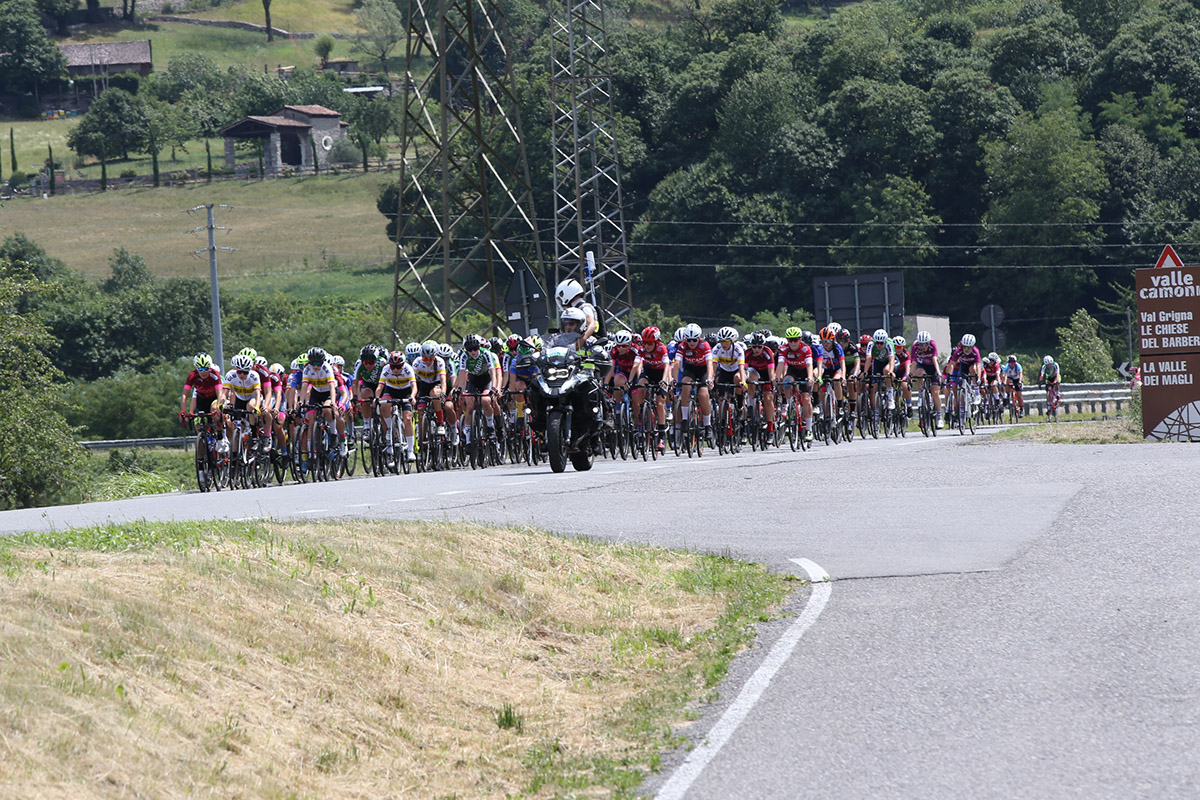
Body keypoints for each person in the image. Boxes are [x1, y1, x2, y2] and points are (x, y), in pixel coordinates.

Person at [673, 323, 714, 441]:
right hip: (690, 369)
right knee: (685, 385)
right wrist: (675, 380)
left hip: (702, 371)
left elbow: (709, 364)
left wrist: (709, 378)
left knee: (703, 395)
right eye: (689, 340)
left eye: (694, 340)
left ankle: (707, 425)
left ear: (699, 338)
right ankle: (685, 419)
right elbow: (677, 363)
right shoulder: (682, 345)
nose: (691, 342)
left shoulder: (704, 345)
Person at [376, 349, 418, 464]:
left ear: (403, 364)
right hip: (391, 391)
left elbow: (414, 385)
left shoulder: (408, 369)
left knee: (408, 419)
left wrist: (413, 396)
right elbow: (380, 386)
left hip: (406, 392)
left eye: (398, 367)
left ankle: (410, 450)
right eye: (392, 367)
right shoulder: (386, 369)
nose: (395, 370)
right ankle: (390, 429)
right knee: (383, 406)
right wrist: (376, 398)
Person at [775, 325, 815, 442]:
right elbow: (781, 364)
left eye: (795, 340)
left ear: (800, 340)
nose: (792, 343)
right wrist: (777, 378)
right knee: (786, 382)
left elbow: (809, 364)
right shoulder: (784, 349)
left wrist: (810, 377)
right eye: (790, 340)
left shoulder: (805, 348)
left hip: (804, 371)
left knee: (806, 399)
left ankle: (809, 429)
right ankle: (788, 403)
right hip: (793, 370)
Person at [909, 331, 943, 428]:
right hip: (922, 365)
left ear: (929, 342)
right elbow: (914, 362)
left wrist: (938, 372)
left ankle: (939, 417)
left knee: (935, 392)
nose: (923, 346)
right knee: (919, 373)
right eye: (921, 344)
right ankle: (921, 394)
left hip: (932, 366)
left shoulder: (932, 344)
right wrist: (910, 375)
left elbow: (934, 359)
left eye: (925, 344)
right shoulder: (915, 346)